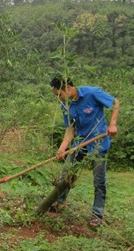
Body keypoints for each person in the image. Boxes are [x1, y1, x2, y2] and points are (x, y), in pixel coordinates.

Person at [50, 76, 119, 226]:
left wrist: (113, 124)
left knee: (99, 180)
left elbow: (115, 103)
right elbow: (70, 130)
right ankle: (58, 203)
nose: (59, 99)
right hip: (79, 143)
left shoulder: (91, 93)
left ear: (67, 88)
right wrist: (62, 149)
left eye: (59, 95)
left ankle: (97, 214)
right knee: (66, 173)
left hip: (98, 142)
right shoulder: (66, 106)